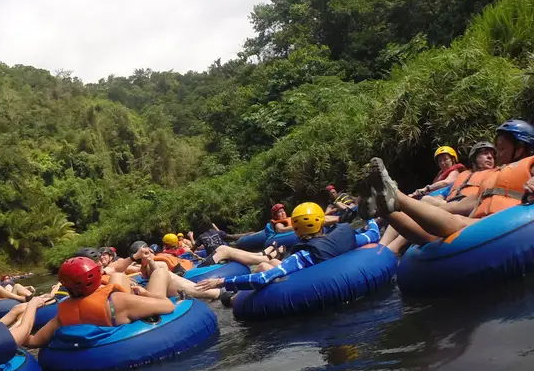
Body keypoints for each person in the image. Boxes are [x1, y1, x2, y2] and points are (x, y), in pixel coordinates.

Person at [364, 120, 534, 246]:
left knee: (458, 222)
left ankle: (396, 197)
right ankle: (385, 209)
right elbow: (464, 204)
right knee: (436, 229)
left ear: (520, 148)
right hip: (481, 218)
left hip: (507, 222)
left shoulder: (530, 163)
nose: (496, 155)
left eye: (502, 149)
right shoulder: (495, 175)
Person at [194, 202, 359, 295]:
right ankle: (267, 255)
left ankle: (233, 297)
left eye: (282, 211)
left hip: (302, 277)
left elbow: (262, 279)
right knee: (269, 261)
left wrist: (221, 281)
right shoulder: (342, 237)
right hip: (322, 269)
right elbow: (371, 234)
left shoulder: (302, 255)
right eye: (278, 212)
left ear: (296, 227)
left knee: (264, 266)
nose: (281, 214)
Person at [23, 257, 177, 346]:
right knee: (160, 272)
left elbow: (34, 341)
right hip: (120, 313)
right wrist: (145, 293)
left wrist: (28, 310)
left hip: (108, 316)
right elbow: (168, 306)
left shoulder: (63, 315)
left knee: (118, 277)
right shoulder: (120, 300)